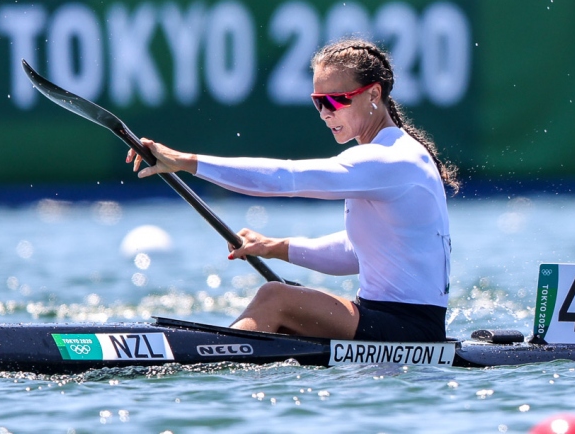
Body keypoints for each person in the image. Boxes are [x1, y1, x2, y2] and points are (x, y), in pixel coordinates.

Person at [126, 38, 459, 342]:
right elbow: (358, 251)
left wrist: (185, 161)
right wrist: (274, 247)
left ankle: (209, 368)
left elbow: (285, 178)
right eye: (319, 102)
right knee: (284, 306)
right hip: (390, 321)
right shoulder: (395, 155)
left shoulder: (391, 159)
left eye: (337, 100)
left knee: (276, 297)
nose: (327, 113)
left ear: (373, 94)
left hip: (411, 329)